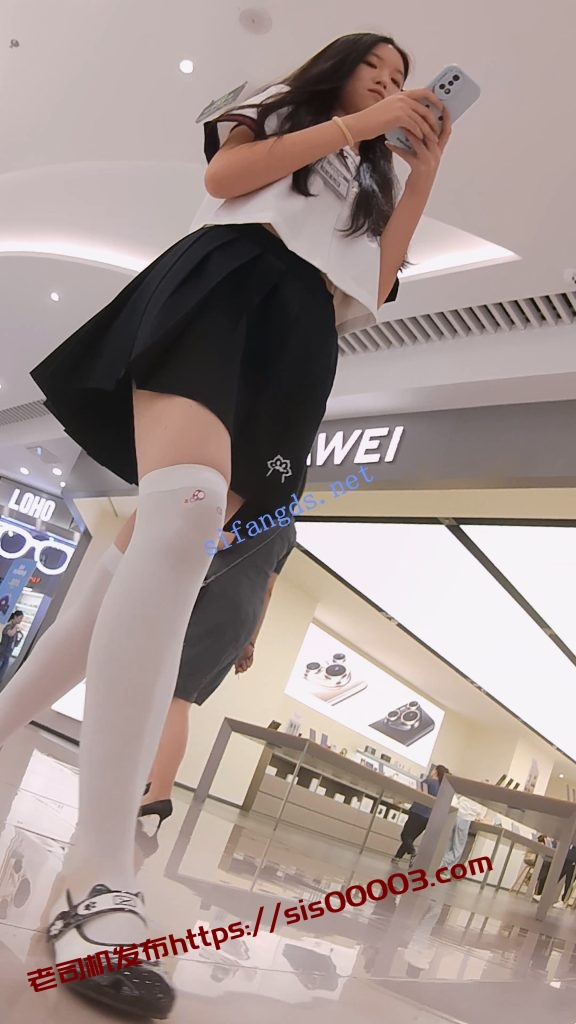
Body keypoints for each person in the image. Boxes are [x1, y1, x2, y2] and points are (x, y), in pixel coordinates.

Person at [0, 33, 452, 1018]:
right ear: (339, 69)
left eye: (401, 80)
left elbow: (375, 284)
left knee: (148, 551)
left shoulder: (375, 175)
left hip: (302, 339)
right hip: (226, 284)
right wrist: (362, 125)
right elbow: (227, 176)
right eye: (375, 69)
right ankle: (98, 869)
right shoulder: (286, 105)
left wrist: (421, 169)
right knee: (188, 514)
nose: (391, 84)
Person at [141, 522, 296, 828]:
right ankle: (150, 781)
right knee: (177, 695)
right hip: (244, 613)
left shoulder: (256, 506)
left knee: (176, 697)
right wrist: (250, 642)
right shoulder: (289, 531)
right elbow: (269, 589)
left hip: (216, 598)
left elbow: (217, 543)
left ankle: (159, 791)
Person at [392, 765, 450, 863]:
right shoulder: (443, 788)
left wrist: (402, 801)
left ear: (436, 772)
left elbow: (417, 794)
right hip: (428, 817)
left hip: (417, 811)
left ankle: (413, 852)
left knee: (405, 835)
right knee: (411, 838)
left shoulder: (428, 782)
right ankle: (397, 857)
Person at [439, 795, 485, 870]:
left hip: (457, 812)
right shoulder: (483, 793)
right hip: (466, 817)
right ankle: (442, 863)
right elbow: (479, 807)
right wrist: (480, 816)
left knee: (449, 843)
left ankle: (442, 865)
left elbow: (458, 794)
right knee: (458, 848)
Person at [532, 843, 576, 908]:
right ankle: (544, 895)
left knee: (569, 880)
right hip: (569, 852)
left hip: (573, 855)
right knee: (556, 875)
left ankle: (563, 901)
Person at [0, 611, 24, 690]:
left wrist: (20, 638)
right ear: (15, 617)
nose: (21, 620)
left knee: (2, 673)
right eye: (20, 618)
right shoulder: (8, 626)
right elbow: (10, 633)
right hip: (2, 652)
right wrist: (16, 627)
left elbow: (15, 644)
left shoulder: (16, 630)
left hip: (8, 654)